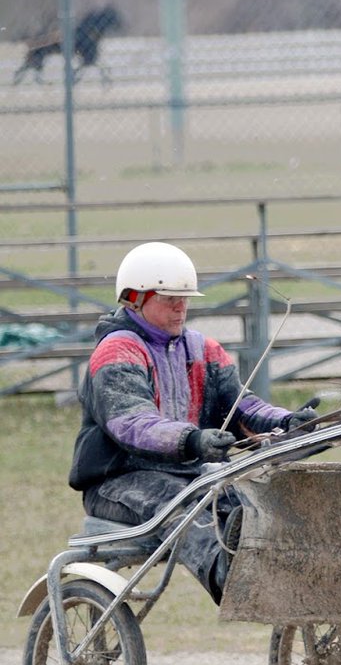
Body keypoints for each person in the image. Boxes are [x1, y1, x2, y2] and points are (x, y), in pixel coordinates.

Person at [68, 241, 318, 604]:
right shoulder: (117, 351)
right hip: (117, 482)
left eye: (185, 298)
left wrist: (286, 420)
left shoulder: (203, 350)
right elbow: (132, 422)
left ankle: (279, 574)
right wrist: (193, 440)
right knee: (185, 505)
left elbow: (242, 407)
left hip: (191, 476)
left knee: (247, 496)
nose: (180, 307)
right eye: (170, 298)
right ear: (135, 298)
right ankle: (230, 578)